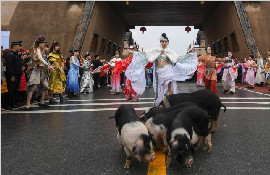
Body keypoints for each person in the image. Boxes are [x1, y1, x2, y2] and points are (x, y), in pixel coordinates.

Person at [125, 33, 197, 106]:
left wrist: (191, 56)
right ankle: (160, 104)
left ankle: (171, 103)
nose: (164, 43)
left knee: (170, 88)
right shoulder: (155, 51)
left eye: (166, 41)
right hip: (159, 73)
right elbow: (144, 56)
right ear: (160, 42)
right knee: (160, 90)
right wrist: (134, 53)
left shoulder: (170, 52)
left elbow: (179, 59)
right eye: (162, 41)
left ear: (168, 42)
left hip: (169, 72)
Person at [25, 36, 54, 110]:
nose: (44, 44)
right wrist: (48, 66)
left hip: (42, 70)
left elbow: (45, 58)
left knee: (45, 86)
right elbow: (40, 58)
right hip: (36, 70)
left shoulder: (42, 50)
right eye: (43, 43)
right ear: (39, 44)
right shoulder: (37, 50)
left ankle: (42, 102)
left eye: (44, 43)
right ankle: (27, 105)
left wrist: (49, 66)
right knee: (32, 86)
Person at [5, 41, 23, 109]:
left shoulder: (16, 55)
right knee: (11, 90)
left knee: (15, 90)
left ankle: (13, 103)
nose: (20, 47)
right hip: (13, 76)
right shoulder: (10, 55)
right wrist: (12, 75)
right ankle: (7, 105)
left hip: (17, 76)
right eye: (19, 46)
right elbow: (10, 66)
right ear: (14, 46)